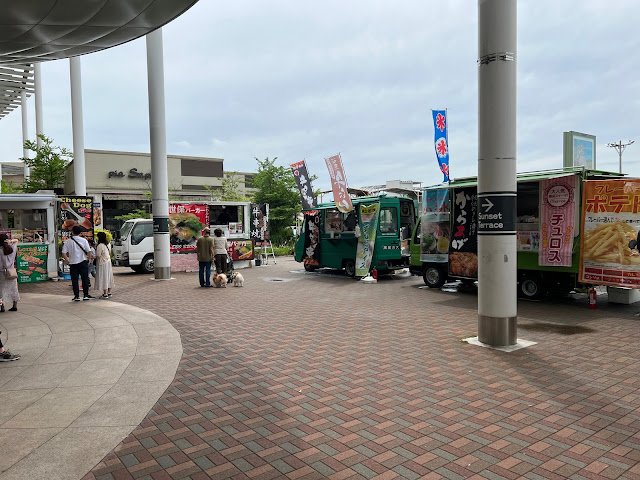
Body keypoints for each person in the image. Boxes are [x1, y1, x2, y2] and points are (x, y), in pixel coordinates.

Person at [61, 226, 94, 301]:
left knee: (74, 280)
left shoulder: (68, 241)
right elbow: (89, 251)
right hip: (83, 262)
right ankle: (85, 295)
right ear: (80, 232)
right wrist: (89, 259)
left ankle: (77, 296)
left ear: (72, 232)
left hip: (73, 263)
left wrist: (67, 260)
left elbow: (63, 253)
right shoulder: (84, 240)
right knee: (84, 279)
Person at [0, 234, 19, 312]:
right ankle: (14, 305)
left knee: (1, 289)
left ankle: (2, 307)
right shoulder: (12, 248)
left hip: (1, 272)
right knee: (14, 289)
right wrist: (11, 241)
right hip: (11, 272)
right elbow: (17, 240)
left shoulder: (0, 250)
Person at [94, 231, 114, 298]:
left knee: (104, 277)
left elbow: (98, 255)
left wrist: (91, 257)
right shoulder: (108, 244)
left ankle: (105, 294)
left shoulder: (100, 245)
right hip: (108, 262)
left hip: (102, 263)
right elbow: (109, 253)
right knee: (109, 276)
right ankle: (109, 292)